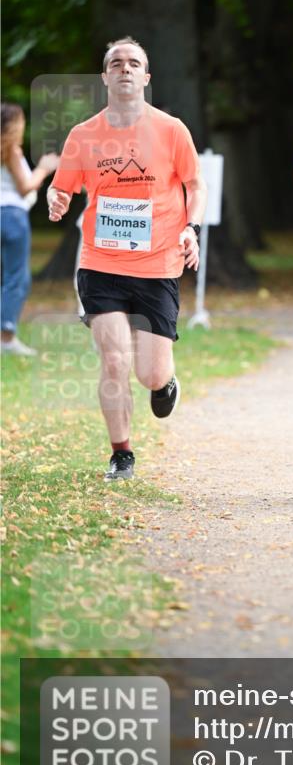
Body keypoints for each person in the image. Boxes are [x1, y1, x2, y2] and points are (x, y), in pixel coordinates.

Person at [47, 36, 207, 481]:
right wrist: (56, 199)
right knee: (114, 359)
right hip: (101, 263)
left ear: (146, 76)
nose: (124, 68)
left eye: (133, 62)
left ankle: (165, 382)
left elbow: (196, 186)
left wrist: (190, 229)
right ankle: (122, 453)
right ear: (104, 76)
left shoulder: (171, 129)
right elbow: (61, 185)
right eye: (116, 63)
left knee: (150, 375)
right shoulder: (83, 135)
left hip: (158, 264)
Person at [1, 103, 59, 355]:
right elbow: (25, 187)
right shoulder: (11, 150)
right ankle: (6, 337)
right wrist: (44, 168)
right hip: (13, 216)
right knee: (17, 278)